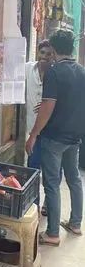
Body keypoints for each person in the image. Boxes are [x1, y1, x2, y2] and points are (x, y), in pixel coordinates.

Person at [26, 30, 85, 246]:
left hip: (55, 138)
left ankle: (52, 233)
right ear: (72, 48)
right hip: (75, 138)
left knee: (51, 183)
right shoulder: (82, 71)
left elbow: (48, 107)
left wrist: (33, 134)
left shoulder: (54, 72)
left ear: (52, 47)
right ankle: (76, 224)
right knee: (74, 179)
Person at [25, 40, 53, 212]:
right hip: (33, 131)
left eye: (48, 54)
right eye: (42, 53)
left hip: (51, 132)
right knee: (33, 169)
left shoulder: (56, 74)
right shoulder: (29, 69)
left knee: (51, 173)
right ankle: (34, 205)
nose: (44, 57)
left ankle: (48, 203)